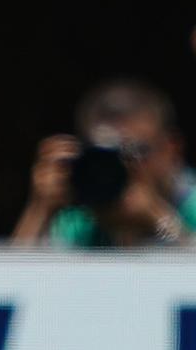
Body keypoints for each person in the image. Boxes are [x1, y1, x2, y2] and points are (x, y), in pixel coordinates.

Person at [11, 78, 194, 247]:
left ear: (172, 150)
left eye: (137, 152)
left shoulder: (190, 205)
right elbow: (12, 279)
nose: (127, 167)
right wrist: (40, 210)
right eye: (111, 155)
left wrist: (158, 221)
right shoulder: (82, 220)